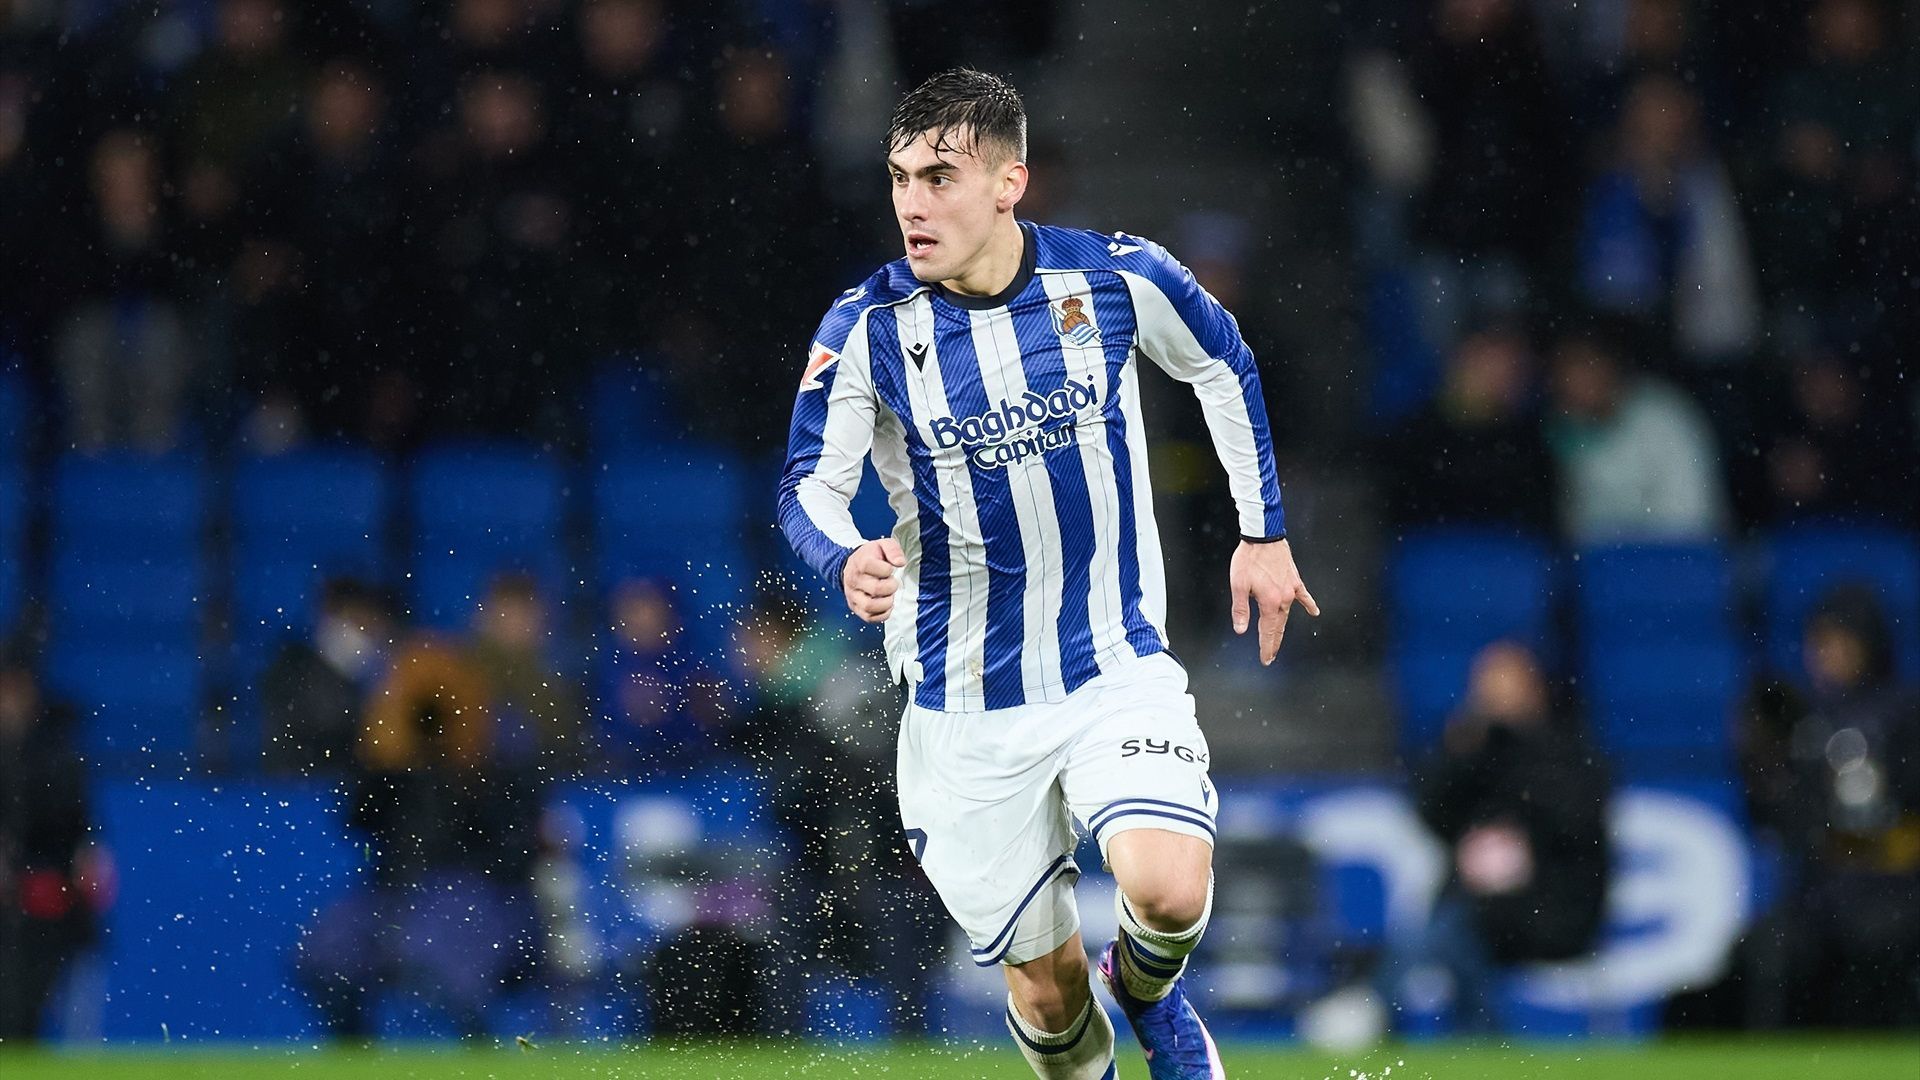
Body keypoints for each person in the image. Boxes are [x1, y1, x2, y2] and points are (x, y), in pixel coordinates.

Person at [776, 69, 1317, 1080]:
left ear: (1010, 182)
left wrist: (1264, 532)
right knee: (1047, 998)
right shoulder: (868, 329)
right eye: (899, 177)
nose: (912, 202)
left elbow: (1220, 360)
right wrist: (842, 553)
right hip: (963, 706)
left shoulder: (1115, 278)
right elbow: (807, 481)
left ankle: (1150, 989)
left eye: (940, 175)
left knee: (1167, 894)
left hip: (1111, 661)